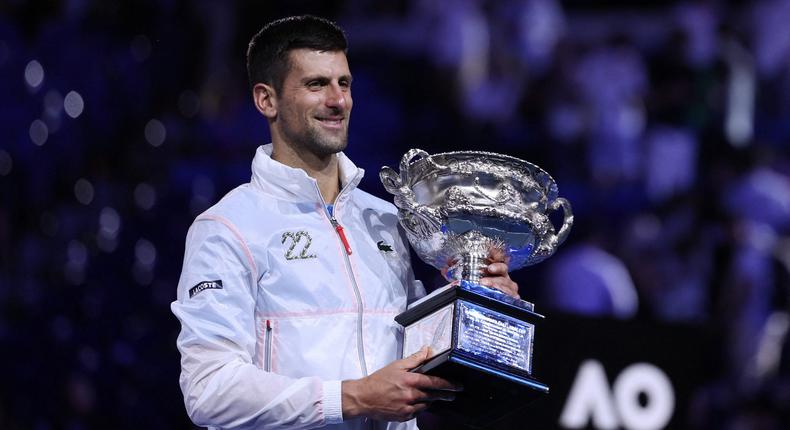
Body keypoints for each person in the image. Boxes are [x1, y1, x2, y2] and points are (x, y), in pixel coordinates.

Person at [171, 15, 519, 429]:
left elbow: (414, 357)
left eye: (344, 83)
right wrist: (353, 397)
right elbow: (209, 390)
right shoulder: (228, 228)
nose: (338, 100)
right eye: (316, 85)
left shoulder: (385, 219)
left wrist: (478, 303)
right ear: (267, 100)